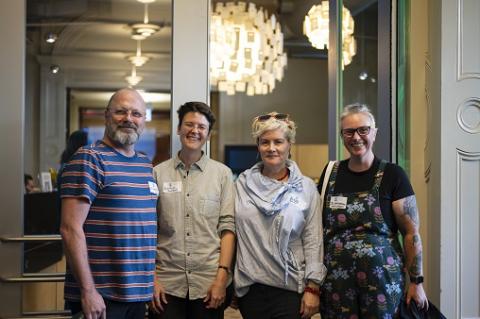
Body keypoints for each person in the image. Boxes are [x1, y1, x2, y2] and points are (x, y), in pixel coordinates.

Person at [318, 104, 428, 318]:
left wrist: (416, 282)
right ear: (342, 136)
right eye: (349, 131)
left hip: (383, 283)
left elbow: (411, 233)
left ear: (374, 133)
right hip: (336, 284)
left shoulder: (393, 174)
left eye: (363, 130)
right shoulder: (330, 174)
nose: (356, 137)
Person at [59, 88, 158, 319]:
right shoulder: (89, 158)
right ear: (106, 115)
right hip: (101, 297)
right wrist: (88, 290)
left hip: (137, 295)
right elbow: (69, 229)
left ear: (143, 120)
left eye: (136, 114)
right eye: (121, 112)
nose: (128, 119)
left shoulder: (145, 164)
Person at [234, 112, 327, 319]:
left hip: (290, 289)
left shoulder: (306, 188)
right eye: (265, 142)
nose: (272, 148)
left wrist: (313, 288)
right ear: (258, 146)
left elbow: (313, 239)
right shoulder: (242, 184)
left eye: (278, 141)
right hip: (251, 289)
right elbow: (233, 232)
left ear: (289, 145)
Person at [150, 102, 235, 319]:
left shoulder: (223, 175)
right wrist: (152, 279)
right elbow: (149, 230)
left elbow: (228, 228)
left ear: (208, 134)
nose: (194, 130)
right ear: (179, 129)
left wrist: (221, 279)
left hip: (208, 284)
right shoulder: (157, 174)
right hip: (166, 285)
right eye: (189, 124)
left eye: (201, 127)